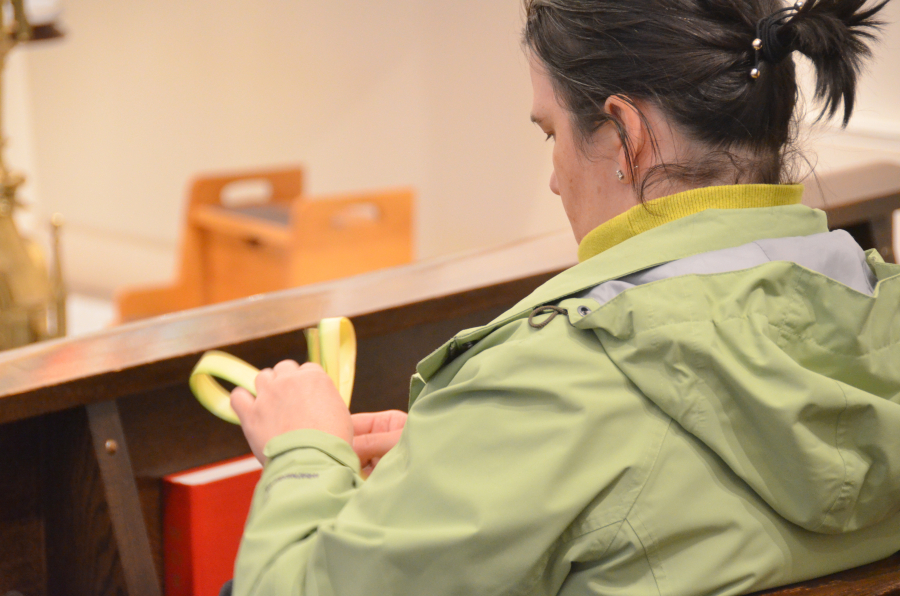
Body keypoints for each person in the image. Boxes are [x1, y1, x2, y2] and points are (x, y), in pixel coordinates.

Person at [228, 0, 900, 594]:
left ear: (625, 136)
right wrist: (460, 449)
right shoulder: (880, 314)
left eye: (550, 133)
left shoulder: (551, 384)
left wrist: (304, 452)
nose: (553, 180)